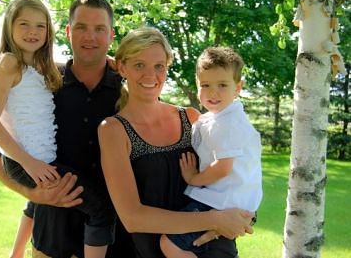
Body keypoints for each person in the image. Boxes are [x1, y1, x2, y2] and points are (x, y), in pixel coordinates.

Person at [0, 0, 134, 258]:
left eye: (99, 29)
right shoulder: (44, 85)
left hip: (116, 242)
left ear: (111, 35)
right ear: (68, 31)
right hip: (51, 238)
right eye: (81, 27)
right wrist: (33, 194)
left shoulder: (131, 90)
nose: (89, 37)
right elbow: (0, 160)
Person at [98, 27, 254, 258]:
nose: (151, 75)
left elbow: (234, 172)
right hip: (149, 251)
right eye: (139, 65)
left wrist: (239, 218)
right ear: (122, 67)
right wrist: (215, 220)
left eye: (159, 66)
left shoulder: (192, 119)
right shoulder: (113, 130)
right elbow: (132, 218)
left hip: (213, 247)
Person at [159, 47, 262, 257]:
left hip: (222, 200)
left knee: (170, 244)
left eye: (222, 85)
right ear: (197, 85)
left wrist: (193, 178)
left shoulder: (226, 123)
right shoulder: (218, 118)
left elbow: (223, 168)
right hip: (231, 199)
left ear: (238, 88)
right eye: (205, 85)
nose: (213, 93)